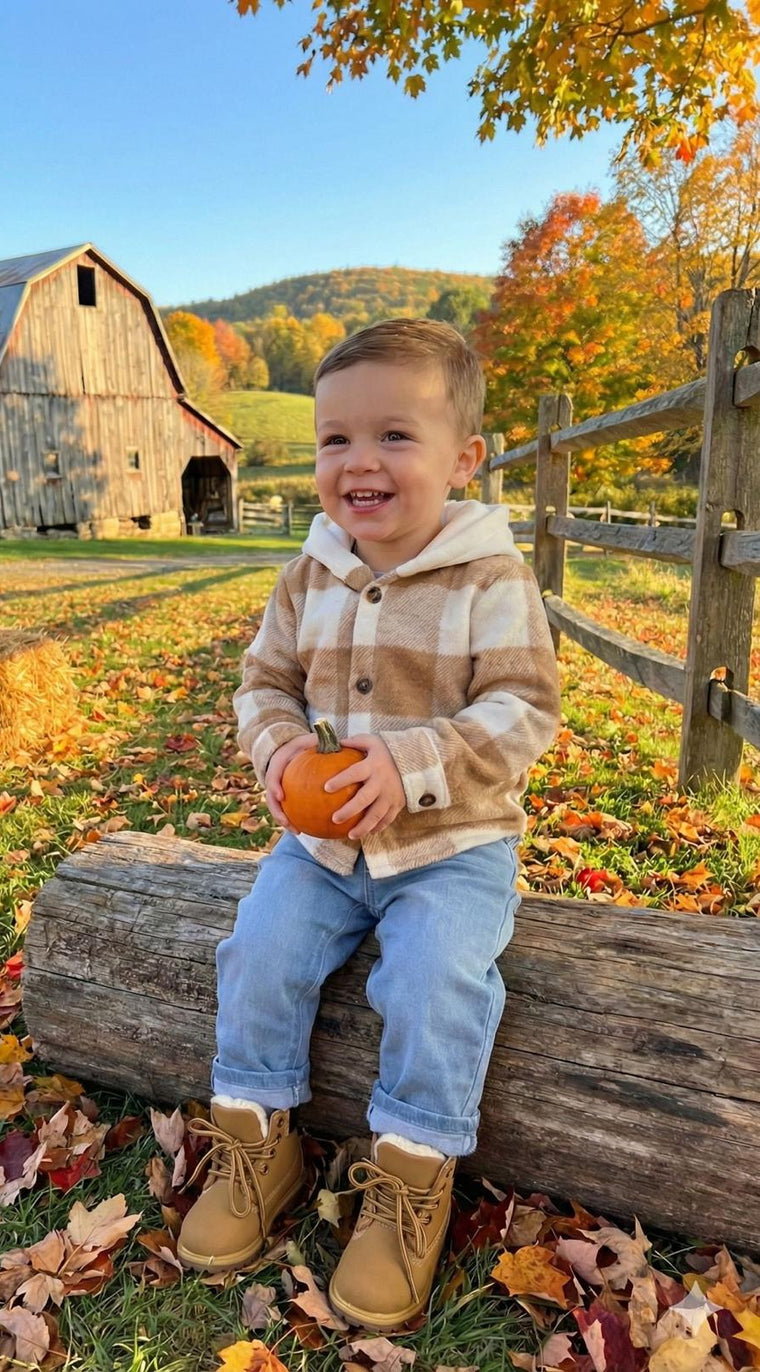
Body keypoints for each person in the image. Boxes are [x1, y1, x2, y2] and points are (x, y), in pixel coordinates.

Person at [176, 318, 562, 1332]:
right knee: (256, 947)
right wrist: (281, 755)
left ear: (463, 457)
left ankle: (410, 1181)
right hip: (323, 843)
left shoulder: (490, 578)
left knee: (437, 976)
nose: (359, 462)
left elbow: (526, 709)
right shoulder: (310, 573)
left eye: (394, 435)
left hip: (454, 845)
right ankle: (258, 1143)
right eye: (334, 440)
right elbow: (262, 684)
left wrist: (413, 761)